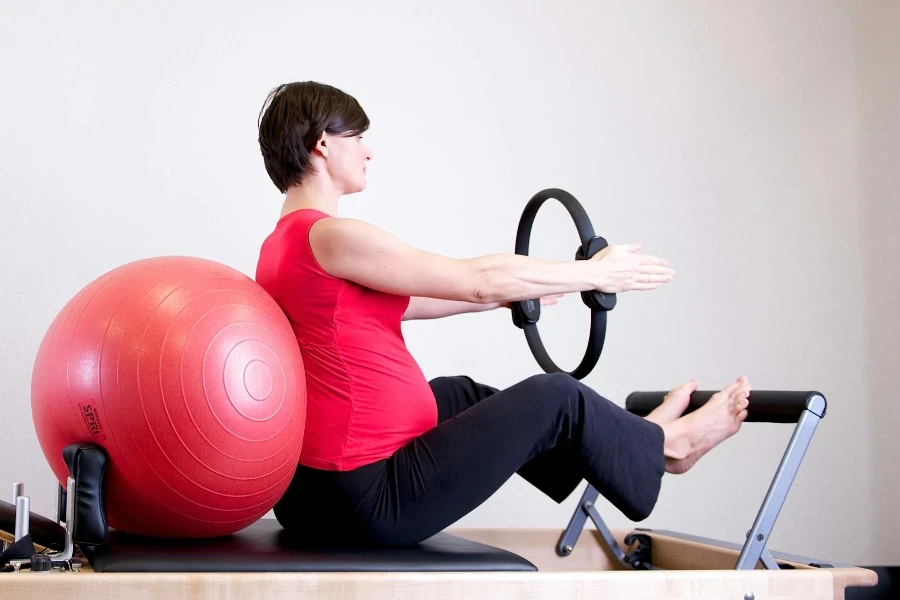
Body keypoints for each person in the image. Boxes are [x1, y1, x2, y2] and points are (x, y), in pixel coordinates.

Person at [254, 81, 750, 547]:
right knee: (555, 396)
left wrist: (500, 299)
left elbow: (414, 298)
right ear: (323, 144)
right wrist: (595, 274)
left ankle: (628, 441)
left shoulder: (284, 244)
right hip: (363, 498)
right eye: (358, 137)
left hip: (312, 494)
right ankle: (669, 446)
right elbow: (477, 276)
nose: (368, 150)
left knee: (458, 393)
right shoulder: (334, 235)